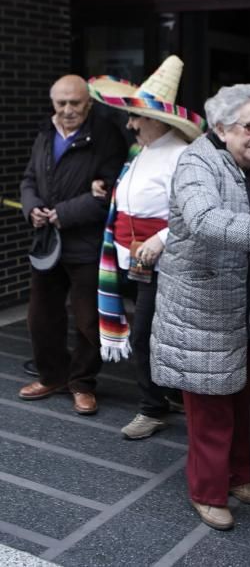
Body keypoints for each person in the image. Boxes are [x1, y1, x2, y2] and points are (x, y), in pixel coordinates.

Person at [149, 83, 250, 531]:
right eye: (249, 127)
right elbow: (205, 221)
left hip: (245, 307)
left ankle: (237, 477)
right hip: (199, 308)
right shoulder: (196, 162)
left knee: (240, 397)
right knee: (210, 408)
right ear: (221, 128)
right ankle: (207, 491)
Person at [87, 55, 205, 439]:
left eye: (136, 117)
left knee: (144, 336)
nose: (130, 123)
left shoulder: (181, 155)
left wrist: (161, 239)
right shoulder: (142, 152)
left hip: (166, 260)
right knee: (150, 333)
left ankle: (153, 407)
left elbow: (195, 211)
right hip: (132, 258)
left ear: (157, 119)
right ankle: (167, 394)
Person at [19, 74, 127, 414]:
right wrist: (31, 207)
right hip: (47, 245)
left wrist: (60, 213)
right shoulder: (45, 132)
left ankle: (82, 383)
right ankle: (52, 376)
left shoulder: (107, 136)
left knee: (87, 321)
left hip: (86, 245)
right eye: (61, 103)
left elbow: (112, 193)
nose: (67, 110)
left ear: (89, 102)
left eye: (74, 103)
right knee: (41, 317)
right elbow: (28, 179)